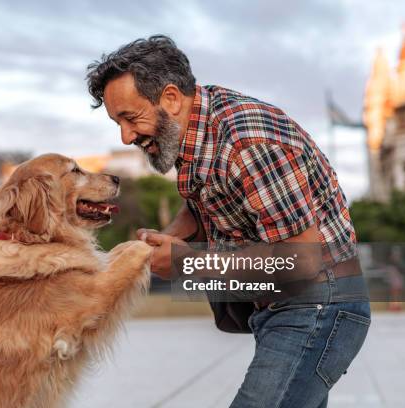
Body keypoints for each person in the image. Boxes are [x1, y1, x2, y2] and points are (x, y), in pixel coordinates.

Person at [86, 35, 370, 408]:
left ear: (171, 98)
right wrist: (158, 244)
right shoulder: (197, 132)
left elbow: (303, 259)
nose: (125, 136)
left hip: (318, 304)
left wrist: (187, 262)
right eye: (117, 121)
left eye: (130, 117)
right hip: (281, 305)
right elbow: (204, 204)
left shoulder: (246, 142)